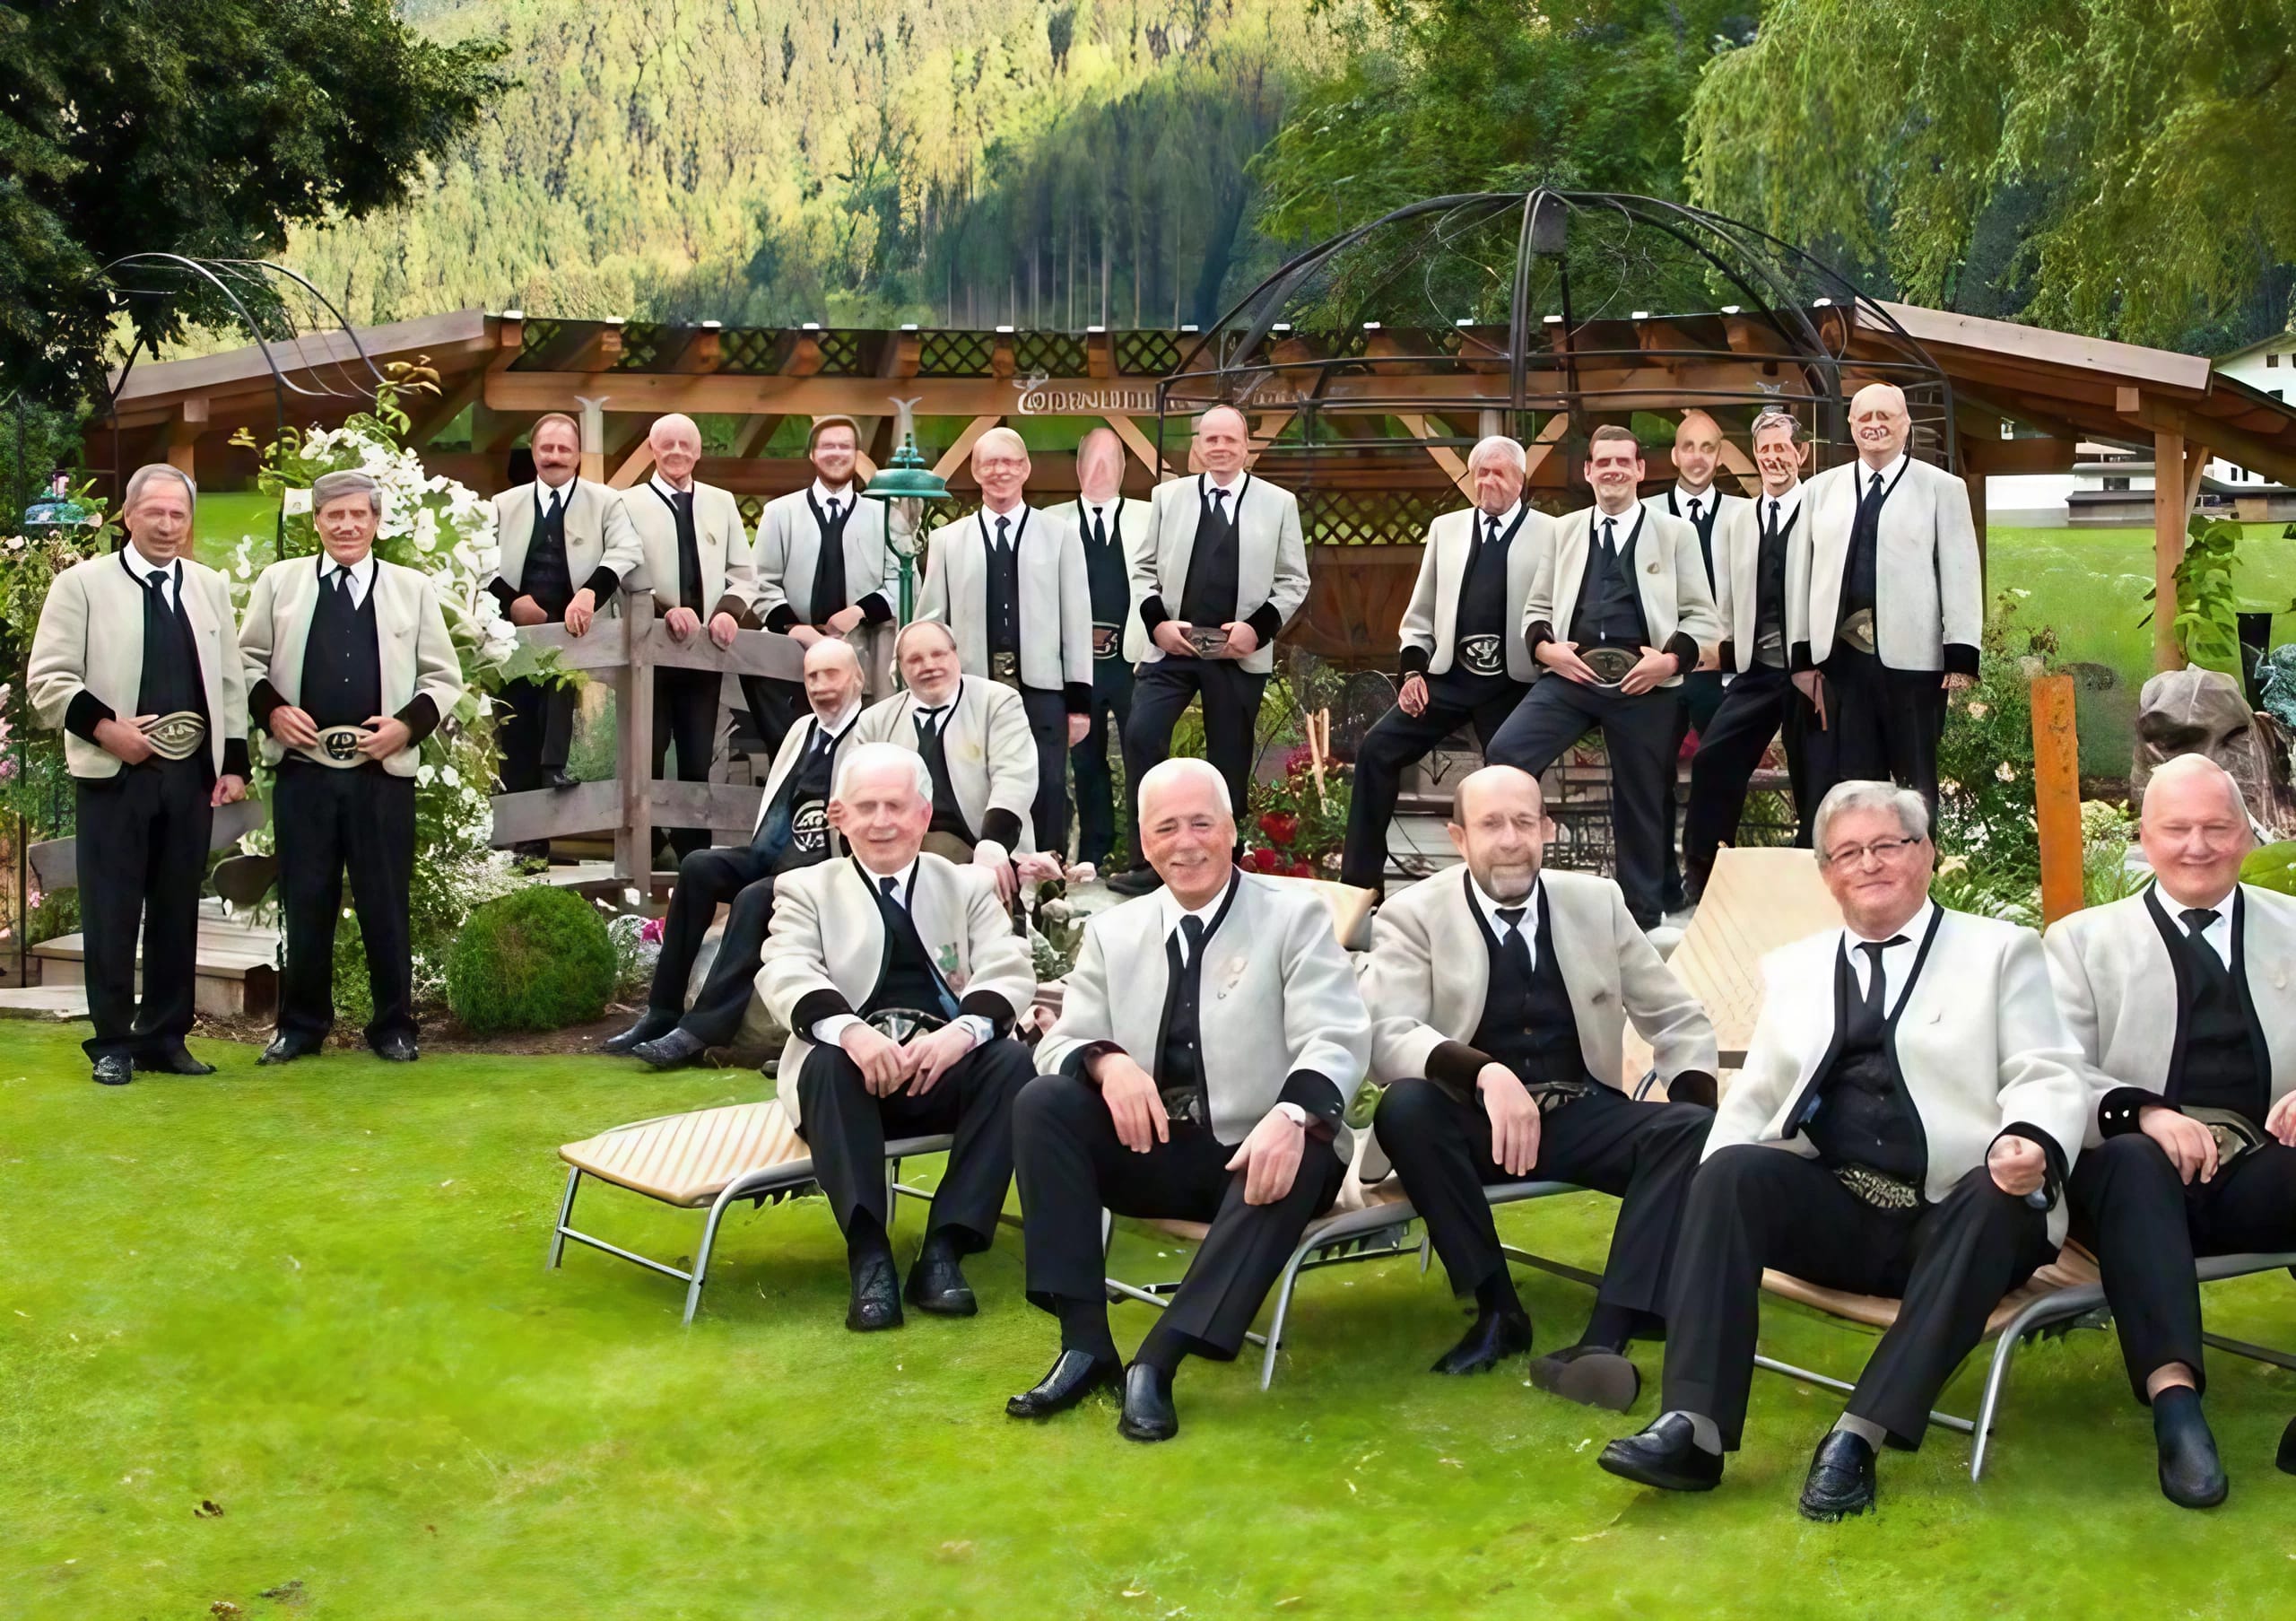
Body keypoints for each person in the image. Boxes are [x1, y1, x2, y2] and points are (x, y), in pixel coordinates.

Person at [1597, 780, 2087, 1521]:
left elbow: (2046, 1070)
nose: (1869, 864)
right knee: (1729, 1170)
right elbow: (1757, 1097)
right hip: (1844, 1206)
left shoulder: (1999, 951)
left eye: (1887, 844)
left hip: (1958, 1212)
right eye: (1848, 852)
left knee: (1996, 1197)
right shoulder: (1795, 967)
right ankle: (1691, 1429)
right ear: (1827, 873)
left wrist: (2031, 1141)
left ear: (1924, 855)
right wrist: (1707, 1197)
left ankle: (1858, 1434)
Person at [1007, 758, 1370, 1442]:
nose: (1187, 842)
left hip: (1265, 1147)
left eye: (1202, 822)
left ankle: (1160, 1358)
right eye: (1167, 827)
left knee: (1296, 1150)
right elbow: (1062, 1040)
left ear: (1231, 830)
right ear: (1145, 843)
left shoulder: (1292, 918)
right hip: (1161, 1148)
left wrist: (1292, 1115)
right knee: (1042, 1103)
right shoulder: (1115, 932)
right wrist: (1105, 1061)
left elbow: (1339, 1033)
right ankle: (1085, 1343)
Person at [1363, 765, 1717, 1407]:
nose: (1510, 839)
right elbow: (1387, 1033)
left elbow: (1677, 1016)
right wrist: (1483, 1073)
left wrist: (1693, 1125)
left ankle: (1604, 1338)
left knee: (1691, 1128)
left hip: (1580, 1110)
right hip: (1472, 1125)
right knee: (1405, 1107)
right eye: (1491, 824)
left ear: (1547, 829)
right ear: (1457, 837)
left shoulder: (1595, 902)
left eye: (1525, 821)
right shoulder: (1412, 914)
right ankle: (1499, 1311)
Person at [2044, 754, 2296, 1506]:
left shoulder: (2293, 927)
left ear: (2246, 834)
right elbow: (2052, 1069)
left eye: (2217, 827)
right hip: (2122, 1184)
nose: (2198, 846)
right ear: (2144, 837)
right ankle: (2177, 1409)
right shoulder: (2082, 942)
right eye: (2177, 829)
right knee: (2133, 1162)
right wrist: (2146, 1111)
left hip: (2250, 1167)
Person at [756, 742, 1039, 1330]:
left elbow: (1009, 968)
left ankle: (944, 1248)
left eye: (894, 805)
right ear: (840, 817)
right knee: (829, 1063)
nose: (881, 821)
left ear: (923, 815)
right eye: (866, 807)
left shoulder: (966, 886)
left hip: (941, 1072)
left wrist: (960, 1034)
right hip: (851, 1083)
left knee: (1011, 1063)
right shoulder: (806, 888)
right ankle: (870, 1256)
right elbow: (785, 970)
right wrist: (853, 1033)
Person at [26, 464, 248, 1085]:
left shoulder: (209, 587)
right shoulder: (82, 586)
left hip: (189, 781)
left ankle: (165, 1037)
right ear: (129, 515)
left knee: (178, 910)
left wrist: (233, 764)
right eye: (157, 512)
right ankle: (114, 1043)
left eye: (179, 514)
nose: (169, 525)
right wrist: (108, 730)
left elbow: (229, 682)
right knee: (112, 911)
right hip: (113, 777)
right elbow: (48, 679)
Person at [239, 469, 463, 1064]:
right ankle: (300, 1026)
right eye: (333, 514)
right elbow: (245, 661)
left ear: (375, 520)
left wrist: (405, 727)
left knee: (385, 901)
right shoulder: (279, 584)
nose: (346, 524)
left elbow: (444, 678)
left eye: (357, 514)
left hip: (379, 777)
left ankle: (393, 1025)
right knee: (305, 899)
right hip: (303, 773)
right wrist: (273, 713)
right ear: (315, 521)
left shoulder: (410, 588)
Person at [1485, 424, 1720, 931]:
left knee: (1642, 792)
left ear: (1639, 470)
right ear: (1588, 471)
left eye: (1623, 461)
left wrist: (1669, 662)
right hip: (1573, 678)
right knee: (1505, 753)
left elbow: (1703, 618)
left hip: (1646, 682)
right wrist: (1549, 650)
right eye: (1603, 462)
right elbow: (1536, 610)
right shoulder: (1562, 531)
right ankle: (1515, 883)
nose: (1613, 470)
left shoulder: (1674, 533)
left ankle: (1640, 921)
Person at [604, 638, 866, 1068]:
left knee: (754, 898)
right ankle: (662, 1011)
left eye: (831, 674)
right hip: (777, 853)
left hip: (827, 866)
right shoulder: (803, 729)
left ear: (857, 679)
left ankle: (700, 1030)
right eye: (812, 676)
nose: (820, 686)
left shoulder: (870, 733)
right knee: (699, 866)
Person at [1110, 405, 1307, 894]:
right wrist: (1157, 625)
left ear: (1246, 446)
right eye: (1211, 439)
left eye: (1230, 439)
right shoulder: (1166, 497)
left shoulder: (1278, 503)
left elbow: (1292, 581)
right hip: (1173, 648)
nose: (1220, 447)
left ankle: (1225, 867)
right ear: (1198, 444)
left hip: (1237, 652)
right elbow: (1143, 570)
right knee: (1141, 735)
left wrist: (1256, 631)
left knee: (1230, 758)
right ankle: (1148, 861)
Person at [1339, 436, 1549, 894]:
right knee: (1377, 750)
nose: (1487, 481)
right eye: (1480, 473)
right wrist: (1412, 673)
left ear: (1521, 479)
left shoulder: (1552, 532)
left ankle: (1510, 884)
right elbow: (1420, 614)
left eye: (1498, 472)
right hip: (1448, 679)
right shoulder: (1446, 529)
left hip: (1514, 684)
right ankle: (1359, 886)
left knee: (1508, 774)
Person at [1795, 382, 1982, 814]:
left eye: (1885, 416)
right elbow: (1803, 577)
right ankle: (1867, 871)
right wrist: (1803, 657)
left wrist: (1961, 654)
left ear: (1906, 424)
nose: (1874, 426)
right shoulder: (1820, 490)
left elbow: (1960, 570)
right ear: (1851, 426)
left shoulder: (1941, 488)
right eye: (1865, 418)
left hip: (1914, 664)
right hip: (1843, 662)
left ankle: (1920, 875)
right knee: (1857, 788)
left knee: (1917, 784)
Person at [916, 426, 1092, 856]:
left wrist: (1079, 704)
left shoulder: (1061, 534)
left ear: (1026, 469)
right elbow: (932, 619)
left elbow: (1076, 619)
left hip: (1043, 687)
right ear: (976, 471)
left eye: (1010, 462)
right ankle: (989, 874)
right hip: (975, 688)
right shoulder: (947, 541)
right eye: (990, 463)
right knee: (981, 782)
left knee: (1048, 783)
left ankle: (1048, 884)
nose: (1000, 471)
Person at [486, 412, 641, 850]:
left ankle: (559, 834)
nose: (554, 457)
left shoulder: (607, 501)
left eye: (563, 449)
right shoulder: (504, 503)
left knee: (560, 745)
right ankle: (525, 852)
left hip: (580, 635)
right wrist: (512, 600)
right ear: (534, 452)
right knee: (516, 737)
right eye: (546, 448)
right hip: (517, 638)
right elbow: (478, 559)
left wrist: (591, 592)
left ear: (578, 456)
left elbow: (628, 548)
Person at [1680, 408, 1819, 897]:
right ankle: (1705, 870)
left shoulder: (1821, 509)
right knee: (1713, 758)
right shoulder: (1741, 520)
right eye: (1764, 450)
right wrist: (1724, 654)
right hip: (1756, 669)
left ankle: (1814, 880)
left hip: (1810, 669)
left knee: (1816, 774)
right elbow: (1730, 600)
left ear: (1801, 453)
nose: (1773, 457)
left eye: (1782, 448)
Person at [622, 412, 756, 861]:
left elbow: (743, 573)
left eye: (685, 444)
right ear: (651, 450)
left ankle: (692, 851)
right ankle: (649, 845)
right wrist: (666, 609)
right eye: (667, 444)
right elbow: (624, 571)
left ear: (698, 452)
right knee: (650, 748)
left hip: (706, 651)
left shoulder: (722, 502)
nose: (677, 452)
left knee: (699, 752)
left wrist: (728, 612)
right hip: (650, 647)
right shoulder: (627, 503)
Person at [848, 620, 1039, 903]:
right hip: (900, 848)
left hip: (983, 845)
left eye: (938, 654)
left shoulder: (998, 702)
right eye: (915, 659)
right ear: (900, 668)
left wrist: (994, 842)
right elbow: (856, 793)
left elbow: (1014, 778)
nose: (928, 666)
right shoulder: (874, 721)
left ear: (955, 655)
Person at [750, 415, 897, 747]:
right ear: (813, 455)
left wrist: (858, 611)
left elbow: (903, 583)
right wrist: (797, 630)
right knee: (794, 750)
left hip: (863, 652)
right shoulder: (779, 512)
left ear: (856, 455)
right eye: (827, 446)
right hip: (792, 653)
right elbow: (760, 583)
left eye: (845, 446)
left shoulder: (883, 515)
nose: (836, 453)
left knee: (859, 751)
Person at [1057, 426, 1154, 871]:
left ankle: (1144, 853)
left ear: (1123, 468)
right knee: (1085, 760)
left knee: (1144, 757)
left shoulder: (1150, 516)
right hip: (1075, 667)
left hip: (1133, 662)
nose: (1100, 470)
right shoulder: (1050, 521)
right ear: (1077, 469)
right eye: (1091, 462)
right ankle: (1094, 855)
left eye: (1110, 460)